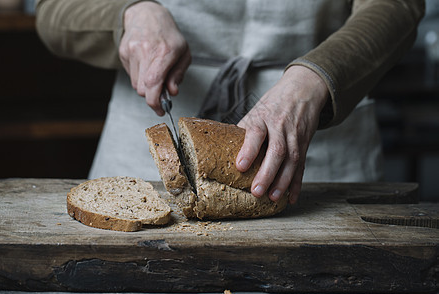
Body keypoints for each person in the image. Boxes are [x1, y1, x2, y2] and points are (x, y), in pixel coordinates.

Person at [35, 0, 424, 204]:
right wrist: (130, 12)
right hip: (141, 156)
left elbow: (397, 5)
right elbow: (52, 9)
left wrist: (317, 76)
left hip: (319, 145)